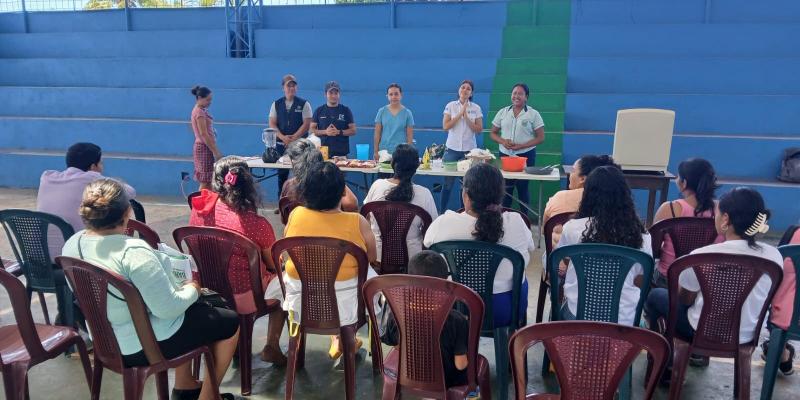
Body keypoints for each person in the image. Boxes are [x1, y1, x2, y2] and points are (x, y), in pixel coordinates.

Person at [62, 179, 239, 400]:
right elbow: (168, 309)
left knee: (198, 312)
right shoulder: (133, 251)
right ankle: (208, 396)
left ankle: (185, 386)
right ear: (128, 211)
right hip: (144, 346)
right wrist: (193, 288)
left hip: (105, 341)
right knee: (228, 320)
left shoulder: (72, 244)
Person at [645, 187, 783, 373]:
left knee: (655, 296)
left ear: (725, 219)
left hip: (699, 330)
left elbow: (685, 300)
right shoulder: (774, 256)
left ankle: (662, 367)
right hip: (746, 335)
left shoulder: (701, 256)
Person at [189, 156, 287, 366]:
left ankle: (235, 346)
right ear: (248, 184)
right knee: (286, 282)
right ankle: (272, 345)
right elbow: (272, 264)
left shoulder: (198, 210)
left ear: (216, 183)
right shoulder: (256, 223)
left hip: (206, 290)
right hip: (243, 295)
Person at [282, 161, 378, 360]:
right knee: (372, 281)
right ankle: (346, 340)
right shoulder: (357, 222)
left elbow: (286, 253)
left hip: (301, 304)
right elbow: (371, 258)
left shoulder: (295, 215)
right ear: (342, 192)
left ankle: (333, 343)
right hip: (346, 308)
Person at [424, 163, 534, 326]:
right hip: (505, 310)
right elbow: (529, 251)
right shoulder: (516, 222)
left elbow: (427, 245)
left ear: (466, 196)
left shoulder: (443, 223)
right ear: (500, 195)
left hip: (457, 308)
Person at [555, 166, 651, 326]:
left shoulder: (572, 228)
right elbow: (641, 280)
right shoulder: (643, 236)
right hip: (623, 323)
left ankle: (556, 346)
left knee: (557, 305)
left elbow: (564, 261)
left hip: (577, 316)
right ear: (625, 195)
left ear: (588, 195)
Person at [380, 250, 469, 388]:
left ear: (410, 281)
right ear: (445, 281)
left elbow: (396, 345)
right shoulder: (457, 320)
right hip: (447, 381)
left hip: (408, 376)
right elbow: (460, 364)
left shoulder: (395, 315)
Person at [37, 142, 137, 258]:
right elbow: (130, 192)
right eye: (101, 163)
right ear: (93, 167)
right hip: (77, 261)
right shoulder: (92, 178)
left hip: (43, 260)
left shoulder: (47, 177)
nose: (102, 167)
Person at [363, 144, 438, 268]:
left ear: (392, 163)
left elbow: (366, 219)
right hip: (413, 262)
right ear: (416, 167)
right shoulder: (424, 194)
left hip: (377, 258)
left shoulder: (377, 186)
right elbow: (432, 230)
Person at [652, 158, 720, 287]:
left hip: (669, 281)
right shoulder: (722, 212)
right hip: (706, 284)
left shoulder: (669, 209)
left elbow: (653, 249)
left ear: (684, 183)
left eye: (678, 177)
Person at [542, 154, 618, 249]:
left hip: (559, 259)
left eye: (573, 170)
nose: (570, 174)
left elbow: (545, 230)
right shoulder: (614, 203)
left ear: (583, 179)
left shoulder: (559, 198)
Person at [490, 83, 545, 209]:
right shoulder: (503, 112)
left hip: (525, 156)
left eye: (520, 94)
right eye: (514, 93)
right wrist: (503, 141)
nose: (516, 96)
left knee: (522, 188)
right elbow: (493, 133)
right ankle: (503, 219)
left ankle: (525, 220)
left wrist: (522, 146)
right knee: (505, 189)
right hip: (505, 155)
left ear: (526, 97)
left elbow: (541, 137)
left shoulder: (533, 114)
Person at [439, 80, 484, 211]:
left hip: (469, 152)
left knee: (465, 185)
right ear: (459, 90)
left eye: (468, 89)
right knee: (447, 184)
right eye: (462, 87)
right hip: (452, 150)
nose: (465, 90)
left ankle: (463, 212)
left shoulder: (476, 108)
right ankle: (442, 213)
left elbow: (479, 129)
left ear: (471, 93)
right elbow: (446, 126)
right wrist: (460, 114)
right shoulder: (451, 106)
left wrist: (467, 117)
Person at [280, 139, 359, 212]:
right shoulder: (329, 180)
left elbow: (283, 216)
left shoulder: (289, 185)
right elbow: (351, 204)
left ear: (293, 162)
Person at [762, 224, 799, 375]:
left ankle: (781, 350)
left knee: (783, 296)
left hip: (787, 319)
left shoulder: (793, 234)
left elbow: (776, 277)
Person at [269, 74, 312, 195]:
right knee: (282, 175)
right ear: (283, 87)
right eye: (289, 86)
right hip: (281, 144)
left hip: (300, 145)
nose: (291, 88)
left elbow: (307, 124)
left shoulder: (304, 104)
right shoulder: (276, 104)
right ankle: (281, 201)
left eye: (293, 86)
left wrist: (294, 138)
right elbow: (272, 123)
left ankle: (301, 203)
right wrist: (283, 138)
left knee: (302, 174)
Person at [311, 81, 355, 158]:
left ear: (339, 94)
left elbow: (353, 130)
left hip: (341, 155)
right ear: (325, 94)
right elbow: (311, 130)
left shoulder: (346, 110)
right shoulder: (319, 110)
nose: (333, 96)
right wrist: (325, 132)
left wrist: (338, 132)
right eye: (331, 93)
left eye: (336, 93)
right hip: (322, 154)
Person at [190, 85, 222, 191]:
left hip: (204, 147)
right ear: (199, 98)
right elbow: (203, 134)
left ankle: (205, 205)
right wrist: (215, 151)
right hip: (203, 148)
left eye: (210, 99)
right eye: (207, 99)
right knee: (205, 181)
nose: (210, 102)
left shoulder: (201, 110)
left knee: (208, 181)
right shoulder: (199, 112)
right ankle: (199, 206)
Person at [373, 83, 414, 160]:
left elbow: (410, 136)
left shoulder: (407, 113)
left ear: (401, 95)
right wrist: (376, 152)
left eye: (396, 94)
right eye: (391, 94)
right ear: (387, 96)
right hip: (384, 152)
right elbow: (377, 133)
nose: (393, 97)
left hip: (401, 153)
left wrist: (409, 153)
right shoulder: (381, 111)